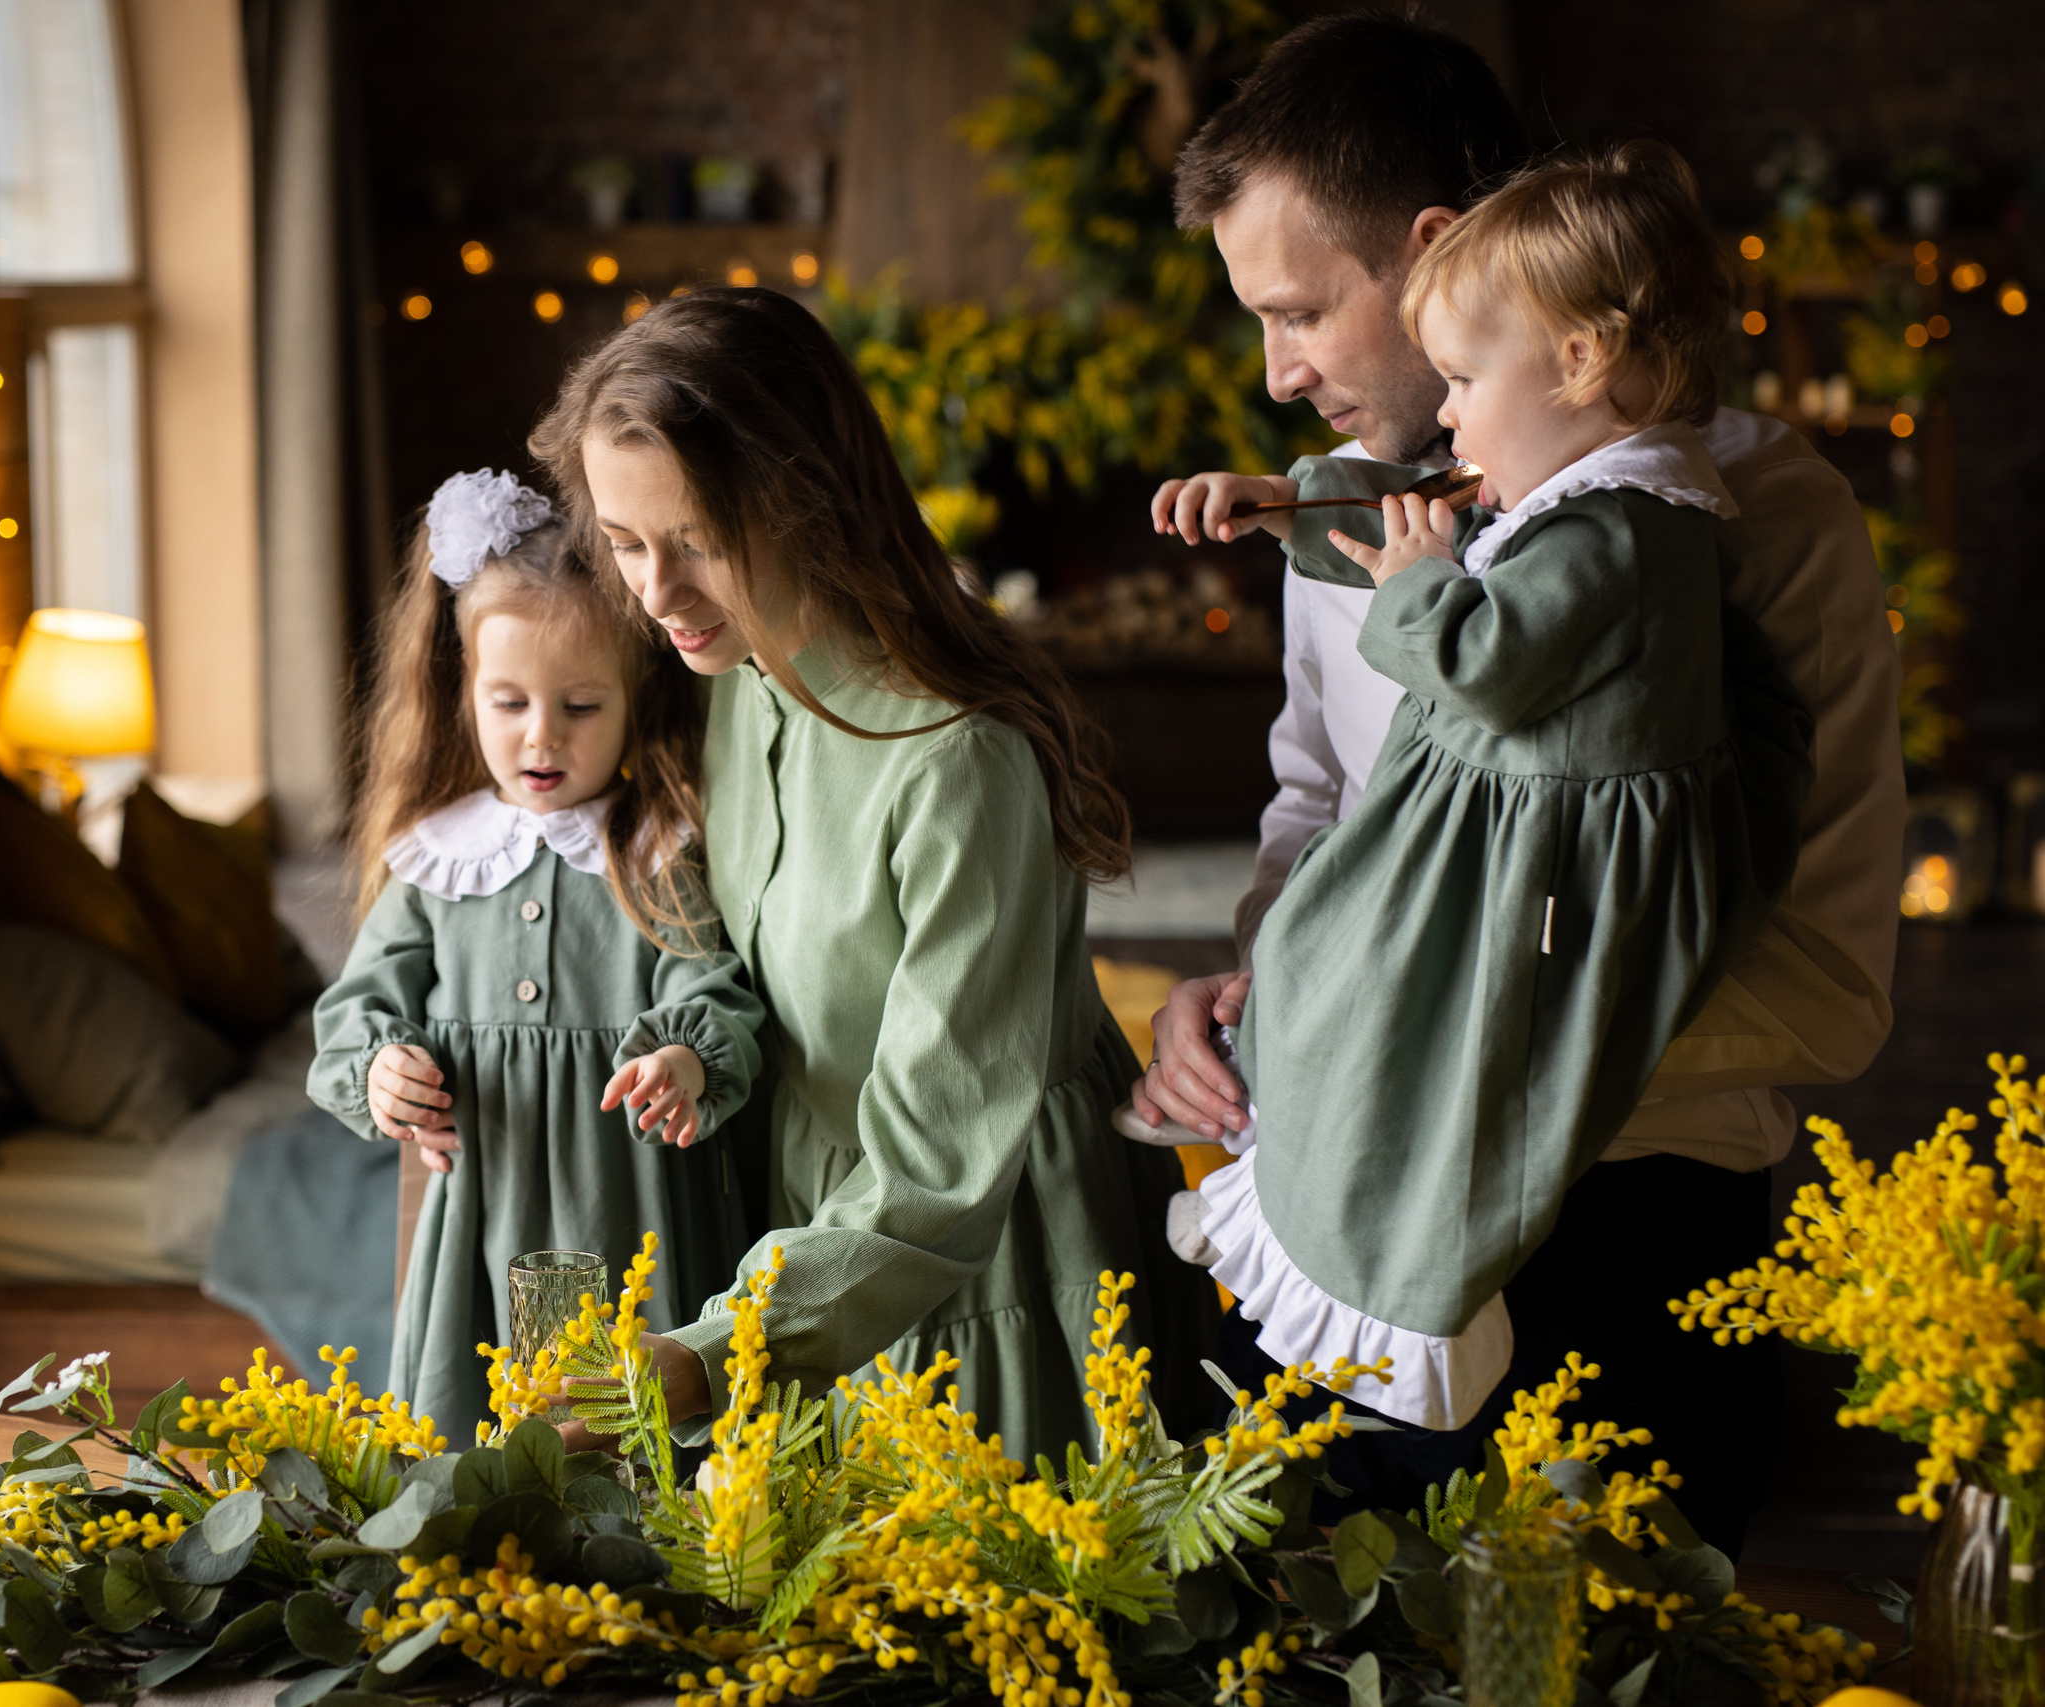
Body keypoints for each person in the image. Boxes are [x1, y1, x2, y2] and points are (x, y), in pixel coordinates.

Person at [1133, 14, 1904, 1553]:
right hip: (1339, 1168)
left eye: (1298, 313)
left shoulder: (1753, 526)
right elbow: (1317, 814)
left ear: (1431, 256)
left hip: (1626, 1217)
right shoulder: (1346, 517)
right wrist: (1248, 986)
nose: (1275, 377)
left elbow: (1829, 988)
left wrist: (1439, 1020)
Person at [529, 288, 1208, 1464]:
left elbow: (941, 1162)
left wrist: (708, 1351)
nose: (653, 592)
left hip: (986, 1248)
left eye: (696, 542)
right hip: (814, 1246)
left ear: (810, 501)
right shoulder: (733, 674)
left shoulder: (960, 759)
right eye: (627, 543)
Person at [308, 468, 766, 1446]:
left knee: (620, 1426)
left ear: (635, 699)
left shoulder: (653, 850)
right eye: (508, 701)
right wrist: (383, 1067)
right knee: (490, 1425)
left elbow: (712, 987)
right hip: (488, 1203)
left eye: (582, 707)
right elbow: (356, 1010)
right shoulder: (437, 860)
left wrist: (685, 1060)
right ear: (464, 691)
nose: (541, 736)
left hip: (627, 1196)